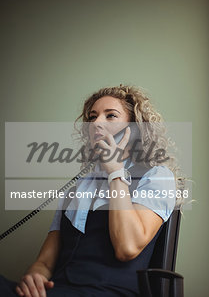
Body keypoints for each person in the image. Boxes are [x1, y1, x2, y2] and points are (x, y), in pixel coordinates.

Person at [0, 85, 182, 297]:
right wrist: (35, 277)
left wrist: (115, 172)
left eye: (111, 116)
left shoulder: (156, 176)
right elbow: (45, 263)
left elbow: (127, 247)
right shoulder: (77, 189)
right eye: (92, 117)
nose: (96, 123)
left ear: (135, 128)